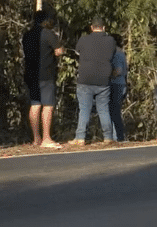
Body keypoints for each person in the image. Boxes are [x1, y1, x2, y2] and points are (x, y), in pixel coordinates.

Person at [70, 17, 117, 145]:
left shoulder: (84, 39)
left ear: (92, 27)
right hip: (103, 80)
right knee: (103, 109)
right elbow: (112, 55)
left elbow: (77, 52)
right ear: (104, 28)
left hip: (85, 79)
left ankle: (80, 137)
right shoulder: (110, 41)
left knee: (84, 109)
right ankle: (108, 137)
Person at [21, 10, 64, 148]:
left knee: (35, 105)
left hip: (31, 74)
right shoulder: (48, 34)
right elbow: (58, 51)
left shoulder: (27, 35)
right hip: (46, 74)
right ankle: (46, 138)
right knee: (48, 106)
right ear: (45, 21)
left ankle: (36, 138)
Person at [109, 34, 128, 142]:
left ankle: (117, 137)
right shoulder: (121, 52)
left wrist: (107, 75)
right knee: (115, 111)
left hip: (116, 84)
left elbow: (118, 70)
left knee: (114, 111)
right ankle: (118, 136)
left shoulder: (116, 53)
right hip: (121, 83)